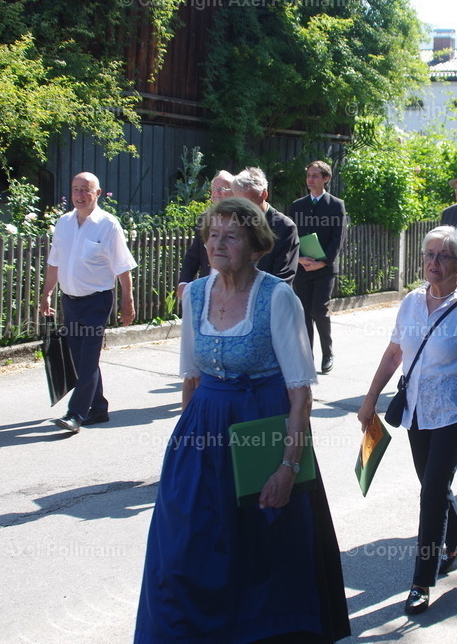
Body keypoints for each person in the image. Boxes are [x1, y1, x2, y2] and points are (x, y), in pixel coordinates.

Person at [135, 198, 350, 643]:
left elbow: (300, 394)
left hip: (261, 433)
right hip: (202, 435)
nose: (217, 243)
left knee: (260, 553)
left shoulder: (277, 298)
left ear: (255, 247)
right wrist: (186, 452)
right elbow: (190, 379)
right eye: (212, 234)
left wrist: (288, 467)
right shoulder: (194, 294)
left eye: (231, 235)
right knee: (183, 548)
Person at [357, 226, 457, 615]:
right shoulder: (411, 303)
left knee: (431, 491)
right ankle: (456, 542)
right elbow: (394, 354)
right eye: (429, 254)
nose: (434, 263)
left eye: (444, 256)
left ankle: (422, 580)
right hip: (418, 409)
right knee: (434, 484)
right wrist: (370, 400)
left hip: (455, 411)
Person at [40, 172, 137, 433]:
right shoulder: (63, 223)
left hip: (97, 302)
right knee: (79, 357)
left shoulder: (108, 224)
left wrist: (128, 301)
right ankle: (98, 408)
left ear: (98, 193)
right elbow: (54, 262)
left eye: (86, 190)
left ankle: (76, 415)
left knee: (88, 360)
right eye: (75, 189)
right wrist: (47, 292)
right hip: (69, 301)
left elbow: (122, 267)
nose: (80, 195)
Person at [290, 161, 346, 374]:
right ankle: (307, 356)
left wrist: (323, 262)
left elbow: (338, 238)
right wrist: (300, 259)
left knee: (319, 310)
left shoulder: (335, 205)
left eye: (315, 175)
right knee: (303, 312)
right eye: (309, 175)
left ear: (326, 179)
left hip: (325, 268)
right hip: (303, 266)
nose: (310, 179)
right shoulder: (297, 206)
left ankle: (327, 352)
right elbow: (292, 236)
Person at [231, 167, 300, 283]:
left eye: (248, 202)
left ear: (263, 194)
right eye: (238, 202)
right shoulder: (233, 222)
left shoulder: (285, 227)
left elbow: (284, 276)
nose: (243, 208)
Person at [177, 170, 234, 300]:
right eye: (214, 188)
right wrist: (184, 282)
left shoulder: (243, 221)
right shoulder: (205, 218)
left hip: (234, 291)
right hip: (208, 290)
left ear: (234, 192)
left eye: (222, 189)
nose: (216, 193)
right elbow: (194, 254)